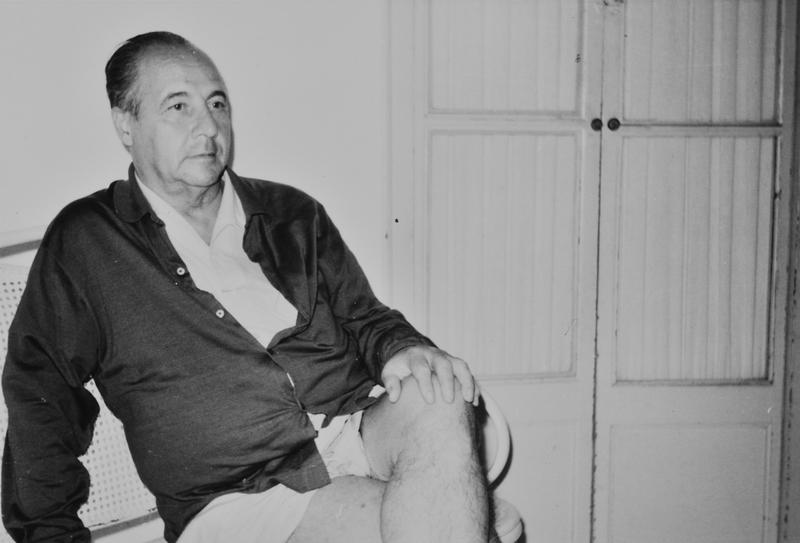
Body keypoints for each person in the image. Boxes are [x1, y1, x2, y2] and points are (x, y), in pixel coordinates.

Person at [1, 31, 494, 543]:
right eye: (178, 106)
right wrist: (49, 534)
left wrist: (402, 347)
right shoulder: (88, 240)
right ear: (126, 124)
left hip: (356, 428)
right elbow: (42, 393)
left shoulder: (291, 213)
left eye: (217, 104)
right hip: (240, 497)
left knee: (441, 397)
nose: (208, 126)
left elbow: (363, 315)